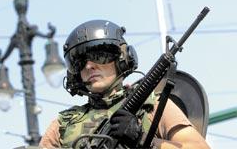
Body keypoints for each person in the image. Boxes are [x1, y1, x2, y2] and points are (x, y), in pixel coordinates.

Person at [39, 20, 210, 148]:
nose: (89, 66)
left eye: (99, 56)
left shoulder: (151, 106)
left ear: (121, 59)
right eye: (80, 62)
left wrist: (142, 139)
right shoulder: (63, 125)